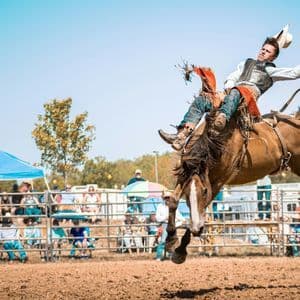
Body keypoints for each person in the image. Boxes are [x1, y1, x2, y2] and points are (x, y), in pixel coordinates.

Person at [159, 25, 300, 151]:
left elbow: (294, 73)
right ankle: (181, 137)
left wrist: (233, 90)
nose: (263, 52)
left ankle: (221, 121)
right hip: (231, 95)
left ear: (273, 57)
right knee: (202, 100)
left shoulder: (271, 70)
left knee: (238, 91)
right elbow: (233, 77)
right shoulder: (246, 63)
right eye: (262, 49)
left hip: (247, 101)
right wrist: (227, 88)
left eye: (267, 51)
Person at [155, 191, 185, 261]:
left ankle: (171, 256)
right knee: (162, 241)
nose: (167, 199)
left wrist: (177, 224)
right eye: (166, 198)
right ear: (164, 199)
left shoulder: (173, 207)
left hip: (172, 225)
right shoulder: (160, 206)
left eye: (169, 197)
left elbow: (180, 217)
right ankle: (159, 256)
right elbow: (157, 218)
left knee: (172, 241)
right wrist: (166, 217)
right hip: (164, 224)